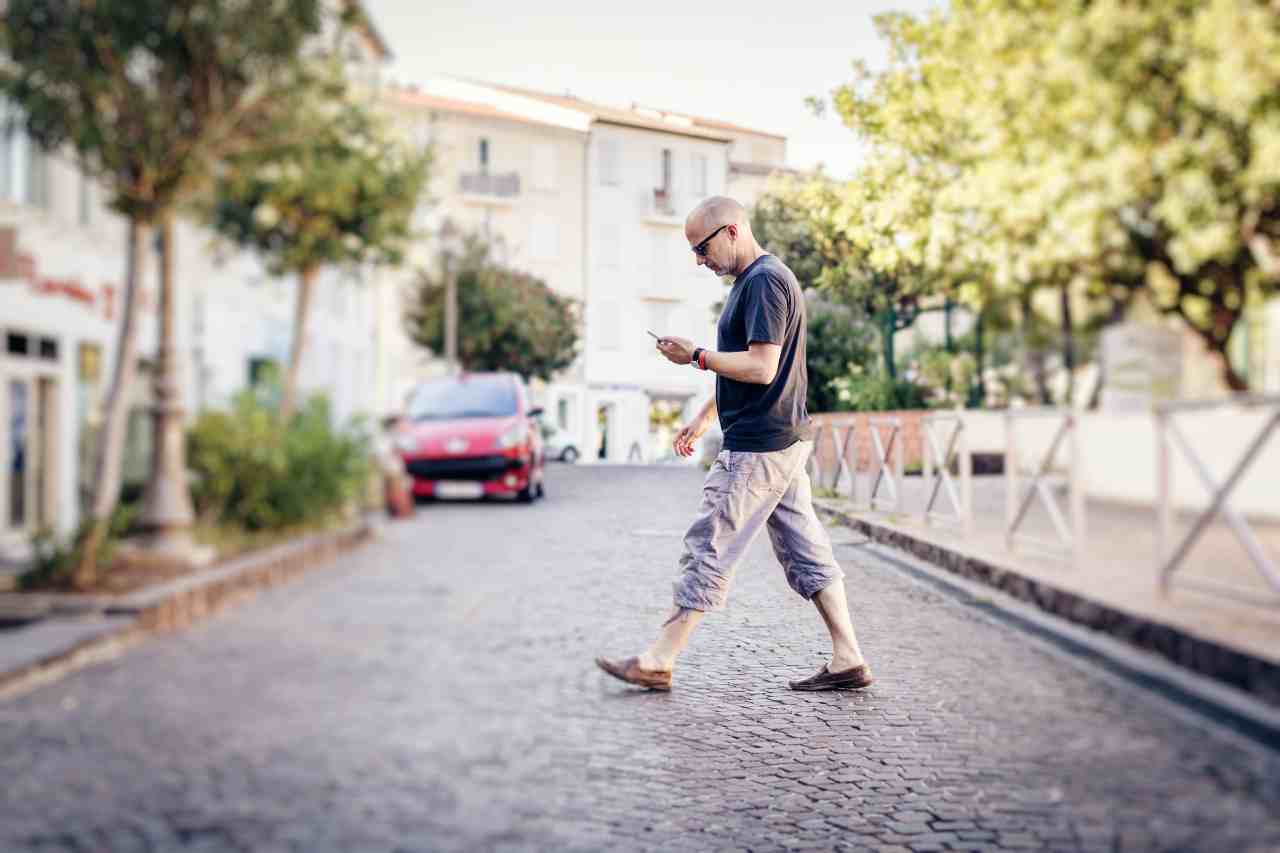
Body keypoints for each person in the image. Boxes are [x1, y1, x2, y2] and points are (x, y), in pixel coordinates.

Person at [595, 197, 872, 692]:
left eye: (702, 249)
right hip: (781, 439)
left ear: (732, 231)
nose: (699, 261)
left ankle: (658, 659)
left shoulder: (765, 281)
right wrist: (705, 417)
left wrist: (696, 355)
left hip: (759, 448)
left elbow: (763, 368)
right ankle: (848, 656)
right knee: (805, 549)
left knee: (710, 544)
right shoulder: (755, 281)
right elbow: (745, 366)